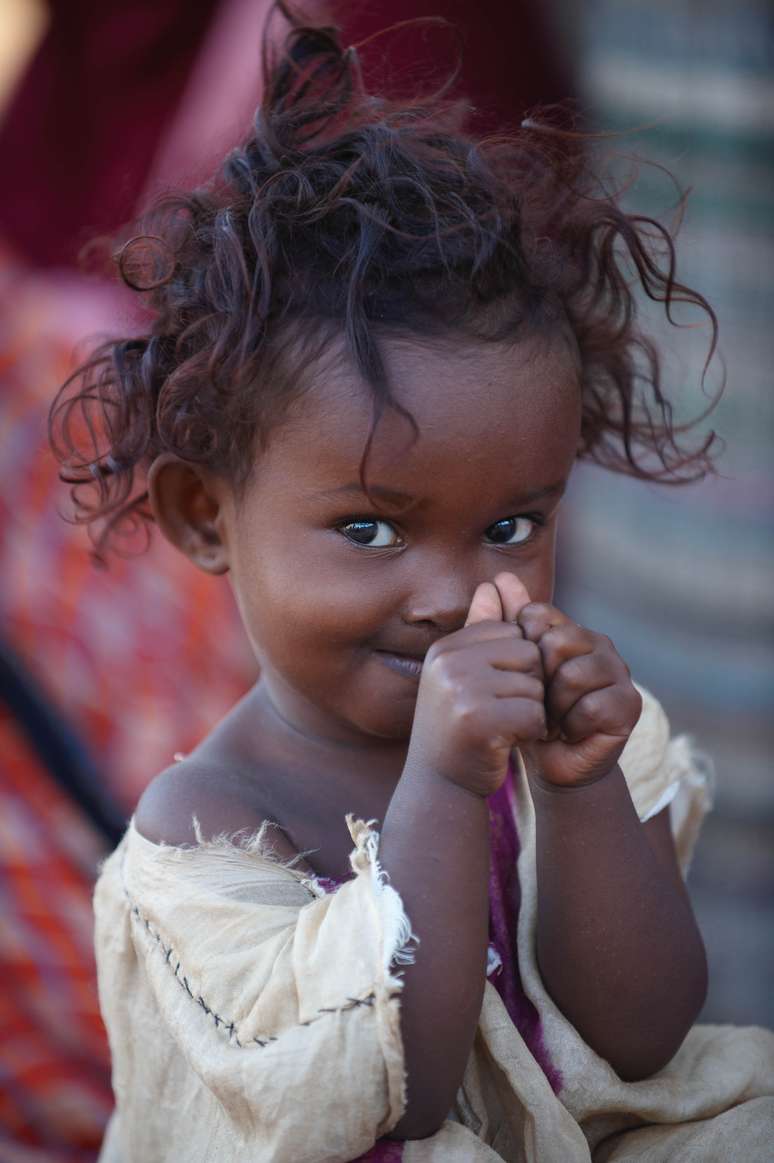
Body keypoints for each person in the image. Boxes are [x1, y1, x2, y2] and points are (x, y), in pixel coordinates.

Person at [49, 6, 774, 1160]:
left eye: (509, 523)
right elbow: (400, 1092)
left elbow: (642, 1034)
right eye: (371, 529)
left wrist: (584, 789)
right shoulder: (207, 835)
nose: (453, 591)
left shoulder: (543, 764)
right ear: (205, 514)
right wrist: (441, 779)